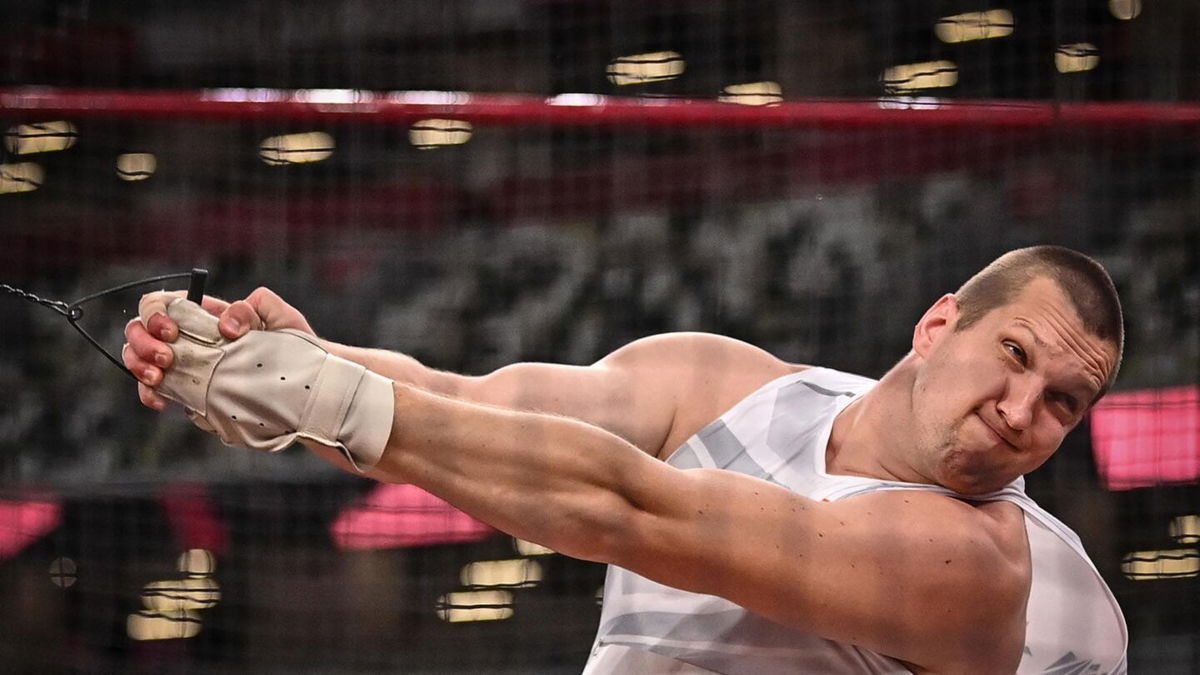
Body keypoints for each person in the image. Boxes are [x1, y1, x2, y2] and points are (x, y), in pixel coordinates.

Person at [122, 245, 1128, 674]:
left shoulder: (976, 564)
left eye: (1062, 404)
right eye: (1015, 357)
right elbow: (473, 409)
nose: (1021, 412)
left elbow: (634, 514)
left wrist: (331, 399)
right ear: (938, 324)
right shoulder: (722, 380)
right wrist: (292, 365)